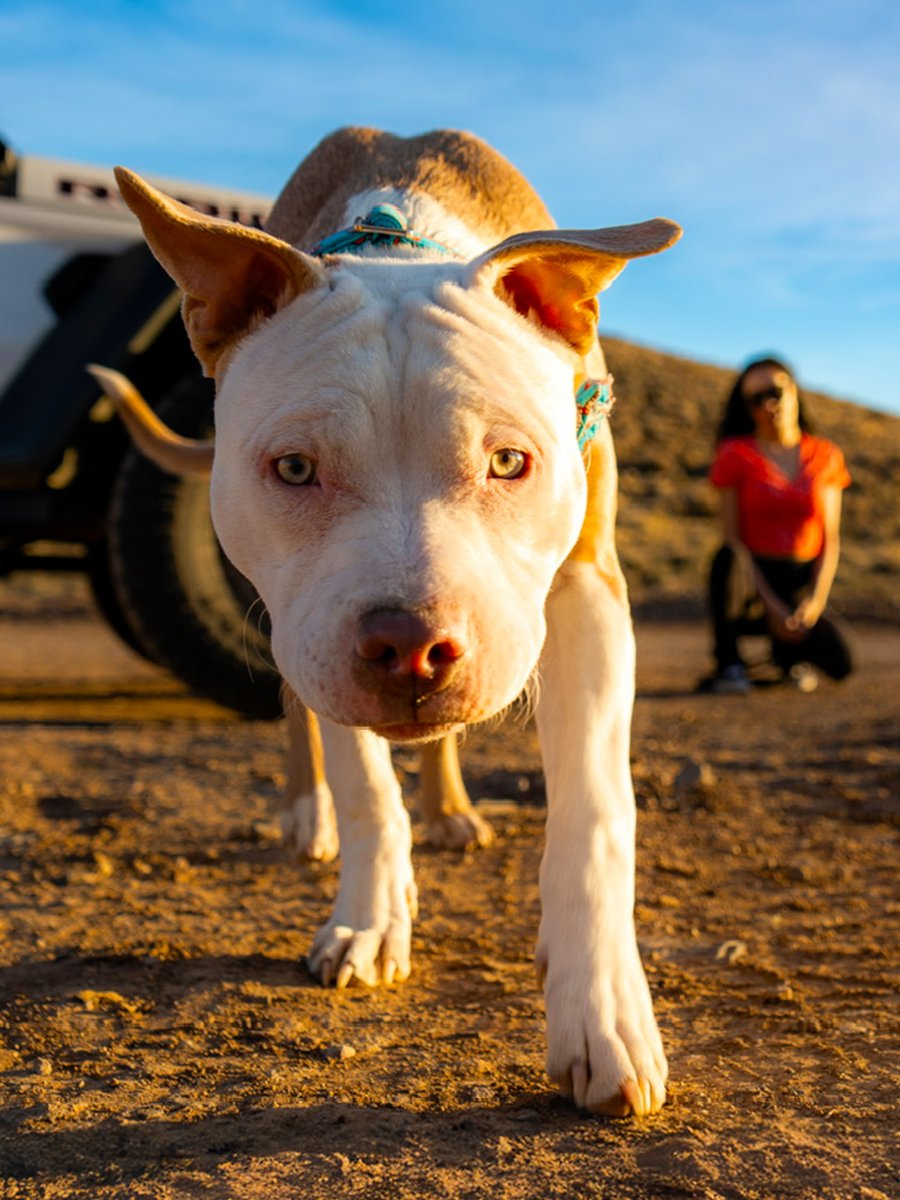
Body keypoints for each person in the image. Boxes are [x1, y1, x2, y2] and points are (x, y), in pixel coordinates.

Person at [702, 356, 854, 694]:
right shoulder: (734, 454)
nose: (769, 404)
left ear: (794, 390)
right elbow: (732, 540)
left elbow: (830, 538)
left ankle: (788, 659)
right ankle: (729, 662)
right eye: (756, 398)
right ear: (746, 408)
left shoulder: (825, 456)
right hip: (754, 581)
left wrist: (814, 602)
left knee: (842, 663)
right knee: (726, 559)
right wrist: (770, 605)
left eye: (776, 391)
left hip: (801, 578)